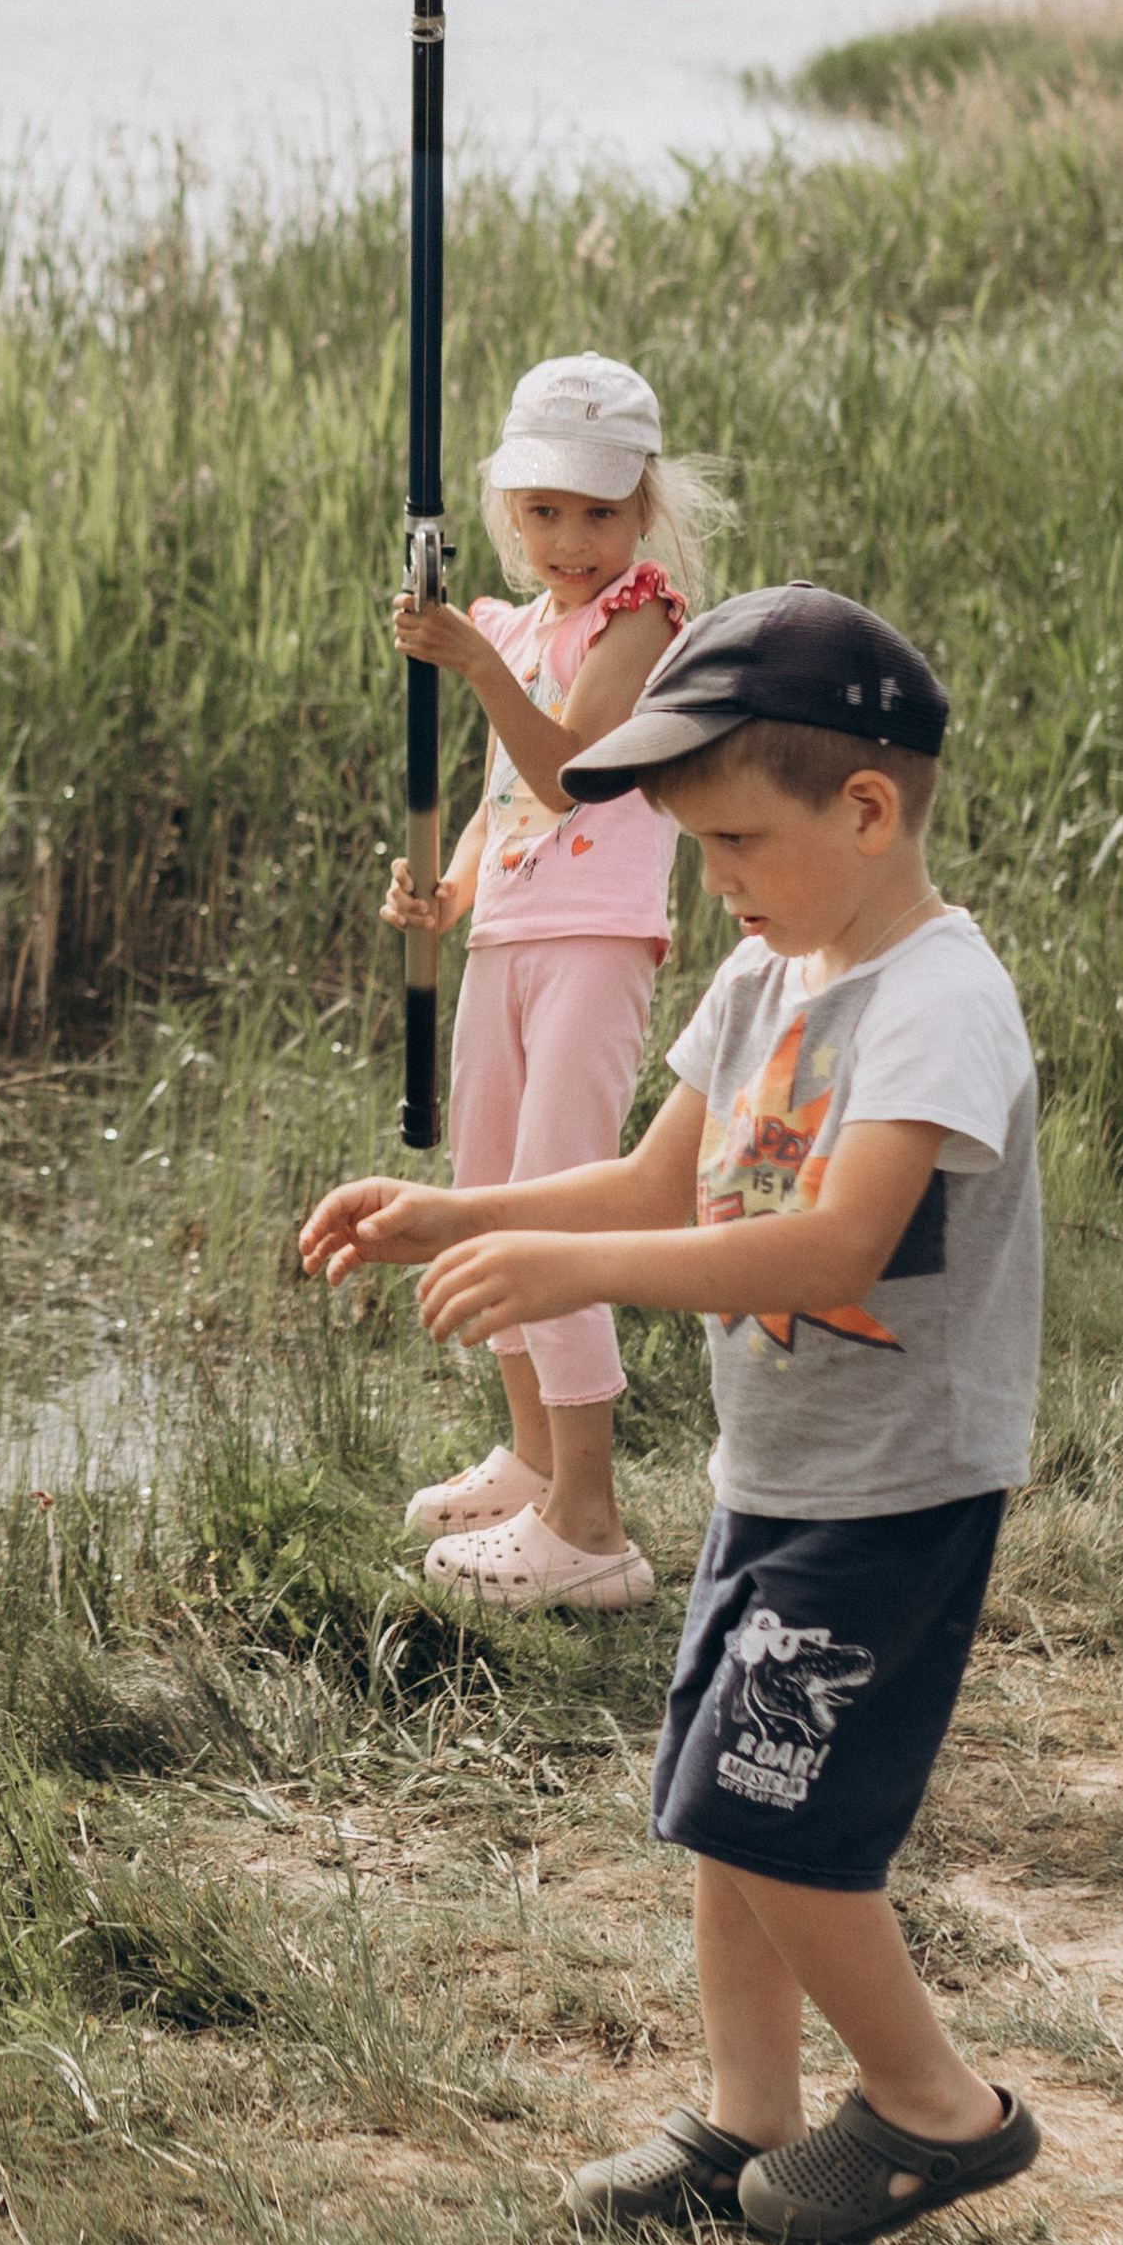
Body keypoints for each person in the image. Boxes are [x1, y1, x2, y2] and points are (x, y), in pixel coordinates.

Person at [305, 585, 1044, 2245]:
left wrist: (563, 1264)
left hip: (897, 1493)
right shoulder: (768, 976)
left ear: (867, 812)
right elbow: (660, 1175)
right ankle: (744, 2126)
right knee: (723, 1807)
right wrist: (451, 1209)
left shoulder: (935, 997)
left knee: (771, 1814)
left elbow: (835, 1240)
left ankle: (939, 2110)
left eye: (732, 842)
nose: (711, 882)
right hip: (777, 1471)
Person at [383, 351, 725, 1612]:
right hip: (507, 940)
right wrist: (447, 890)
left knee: (557, 1211)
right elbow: (500, 801)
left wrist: (472, 663)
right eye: (542, 512)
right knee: (487, 1197)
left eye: (595, 510)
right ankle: (531, 1460)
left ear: (641, 505)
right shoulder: (519, 623)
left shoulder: (640, 615)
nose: (568, 539)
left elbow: (574, 767)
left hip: (595, 937)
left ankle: (591, 1525)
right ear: (507, 512)